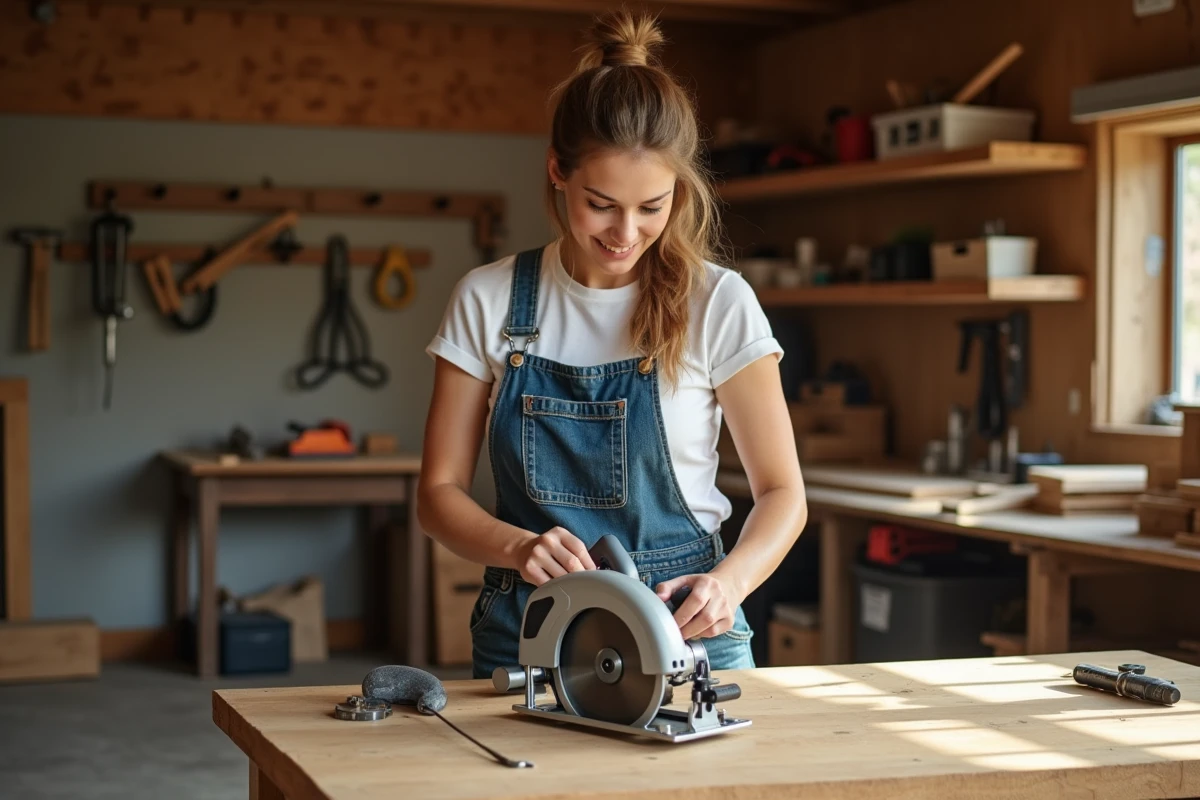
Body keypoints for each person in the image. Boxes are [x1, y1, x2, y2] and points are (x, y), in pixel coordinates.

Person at [418, 9, 807, 679]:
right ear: (556, 172)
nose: (626, 231)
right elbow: (438, 494)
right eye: (602, 203)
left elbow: (782, 494)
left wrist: (731, 584)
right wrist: (518, 548)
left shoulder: (717, 302)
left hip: (686, 629)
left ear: (678, 193)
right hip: (532, 633)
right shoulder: (487, 300)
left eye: (652, 207)